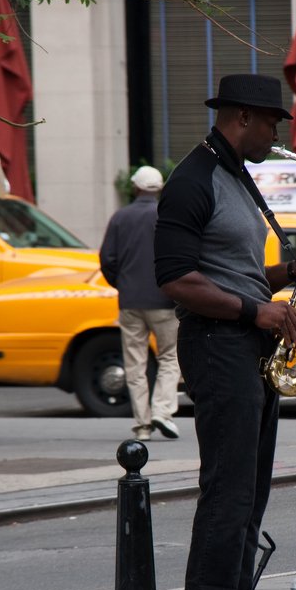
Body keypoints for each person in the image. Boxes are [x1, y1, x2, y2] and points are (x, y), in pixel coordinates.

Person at [154, 73, 296, 590]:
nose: (277, 135)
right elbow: (177, 278)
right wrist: (256, 309)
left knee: (251, 495)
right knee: (228, 495)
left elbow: (236, 274)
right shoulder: (192, 180)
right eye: (270, 123)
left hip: (246, 344)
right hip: (218, 345)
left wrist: (293, 271)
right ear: (240, 118)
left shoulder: (236, 176)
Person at [100, 165, 180, 442]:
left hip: (130, 301)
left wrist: (122, 284)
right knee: (170, 356)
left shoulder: (120, 217)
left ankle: (142, 425)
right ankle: (163, 410)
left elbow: (107, 260)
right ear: (159, 189)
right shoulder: (167, 215)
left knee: (135, 364)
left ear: (135, 188)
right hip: (165, 300)